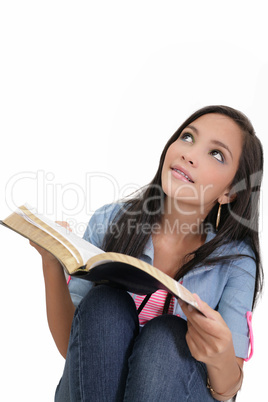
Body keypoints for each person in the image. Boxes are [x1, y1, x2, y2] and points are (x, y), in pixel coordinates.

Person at [31, 105, 263, 401]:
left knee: (167, 337)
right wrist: (51, 262)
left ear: (230, 193)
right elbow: (74, 350)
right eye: (188, 137)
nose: (188, 154)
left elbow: (227, 390)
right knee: (105, 303)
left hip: (174, 383)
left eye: (216, 154)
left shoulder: (237, 261)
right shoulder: (109, 222)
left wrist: (220, 356)